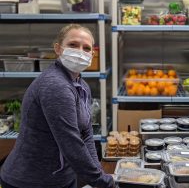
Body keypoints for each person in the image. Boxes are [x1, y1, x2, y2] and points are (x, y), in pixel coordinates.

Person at [0, 24, 114, 188]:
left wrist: (99, 175)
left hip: (60, 178)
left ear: (92, 54)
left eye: (86, 48)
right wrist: (101, 181)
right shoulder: (55, 85)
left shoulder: (81, 86)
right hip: (30, 180)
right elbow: (71, 143)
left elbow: (87, 134)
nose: (80, 52)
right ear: (58, 49)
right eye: (73, 45)